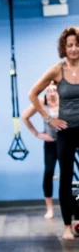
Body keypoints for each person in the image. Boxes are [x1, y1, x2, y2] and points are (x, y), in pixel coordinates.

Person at [28, 26, 79, 241]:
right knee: (65, 179)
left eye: (77, 44)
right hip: (66, 131)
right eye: (70, 45)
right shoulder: (57, 70)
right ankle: (67, 226)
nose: (74, 49)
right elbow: (32, 94)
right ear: (64, 47)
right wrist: (49, 119)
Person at [22, 81, 59, 219]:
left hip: (67, 142)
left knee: (69, 173)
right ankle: (49, 208)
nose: (50, 89)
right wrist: (37, 133)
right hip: (50, 143)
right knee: (49, 172)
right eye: (48, 86)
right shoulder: (41, 101)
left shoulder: (64, 100)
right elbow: (25, 116)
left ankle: (71, 205)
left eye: (53, 86)